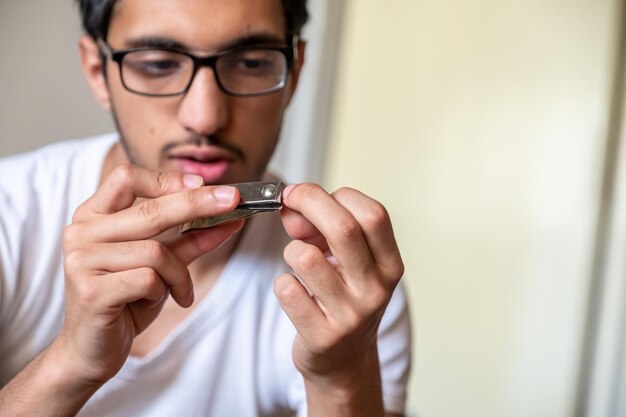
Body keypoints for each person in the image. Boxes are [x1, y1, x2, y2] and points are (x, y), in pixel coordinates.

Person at [0, 0, 411, 416]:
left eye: (250, 63)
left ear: (295, 73)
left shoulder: (349, 282)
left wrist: (341, 377)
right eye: (160, 64)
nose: (206, 117)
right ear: (96, 71)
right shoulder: (8, 213)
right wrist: (68, 364)